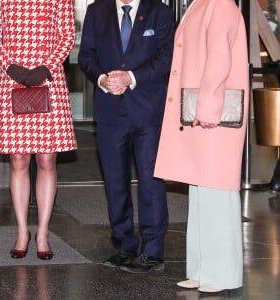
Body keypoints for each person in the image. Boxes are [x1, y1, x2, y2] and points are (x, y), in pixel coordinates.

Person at [154, 0, 249, 293]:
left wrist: (207, 110)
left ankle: (222, 274)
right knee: (201, 194)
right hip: (201, 115)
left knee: (217, 194)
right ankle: (201, 269)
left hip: (214, 117)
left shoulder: (220, 5)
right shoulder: (202, 4)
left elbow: (219, 62)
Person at [78, 0, 174, 273]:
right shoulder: (97, 11)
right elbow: (87, 56)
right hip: (110, 111)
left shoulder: (161, 13)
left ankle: (153, 252)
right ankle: (123, 246)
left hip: (148, 111)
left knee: (150, 180)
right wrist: (102, 79)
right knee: (115, 181)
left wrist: (131, 77)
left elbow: (166, 57)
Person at [0, 0, 76, 260]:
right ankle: (22, 232)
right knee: (19, 159)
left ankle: (43, 233)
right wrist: (11, 67)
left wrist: (46, 66)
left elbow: (67, 34)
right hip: (12, 77)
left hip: (49, 76)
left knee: (47, 159)